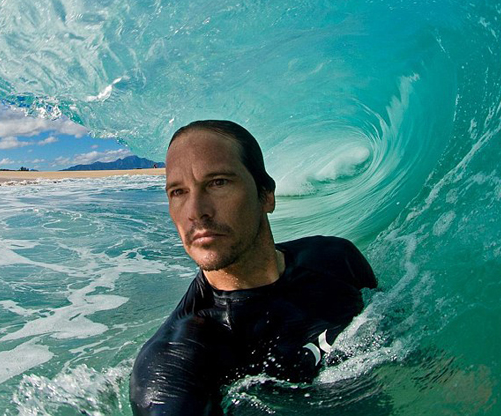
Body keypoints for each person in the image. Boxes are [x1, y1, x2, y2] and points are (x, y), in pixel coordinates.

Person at [129, 120, 377, 416]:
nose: (196, 212)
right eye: (178, 192)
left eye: (217, 182)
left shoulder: (337, 259)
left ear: (266, 195)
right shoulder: (173, 368)